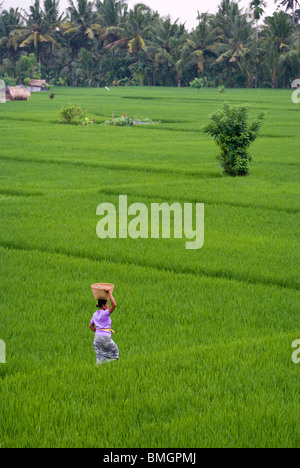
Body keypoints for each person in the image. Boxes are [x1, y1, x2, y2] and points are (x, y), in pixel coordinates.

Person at [89, 289, 119, 365]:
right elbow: (114, 305)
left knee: (100, 355)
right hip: (105, 337)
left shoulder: (95, 314)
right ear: (103, 305)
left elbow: (91, 326)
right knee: (115, 353)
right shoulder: (105, 314)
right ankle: (108, 365)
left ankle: (98, 368)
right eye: (107, 304)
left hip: (97, 338)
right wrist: (109, 293)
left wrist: (99, 332)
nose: (108, 305)